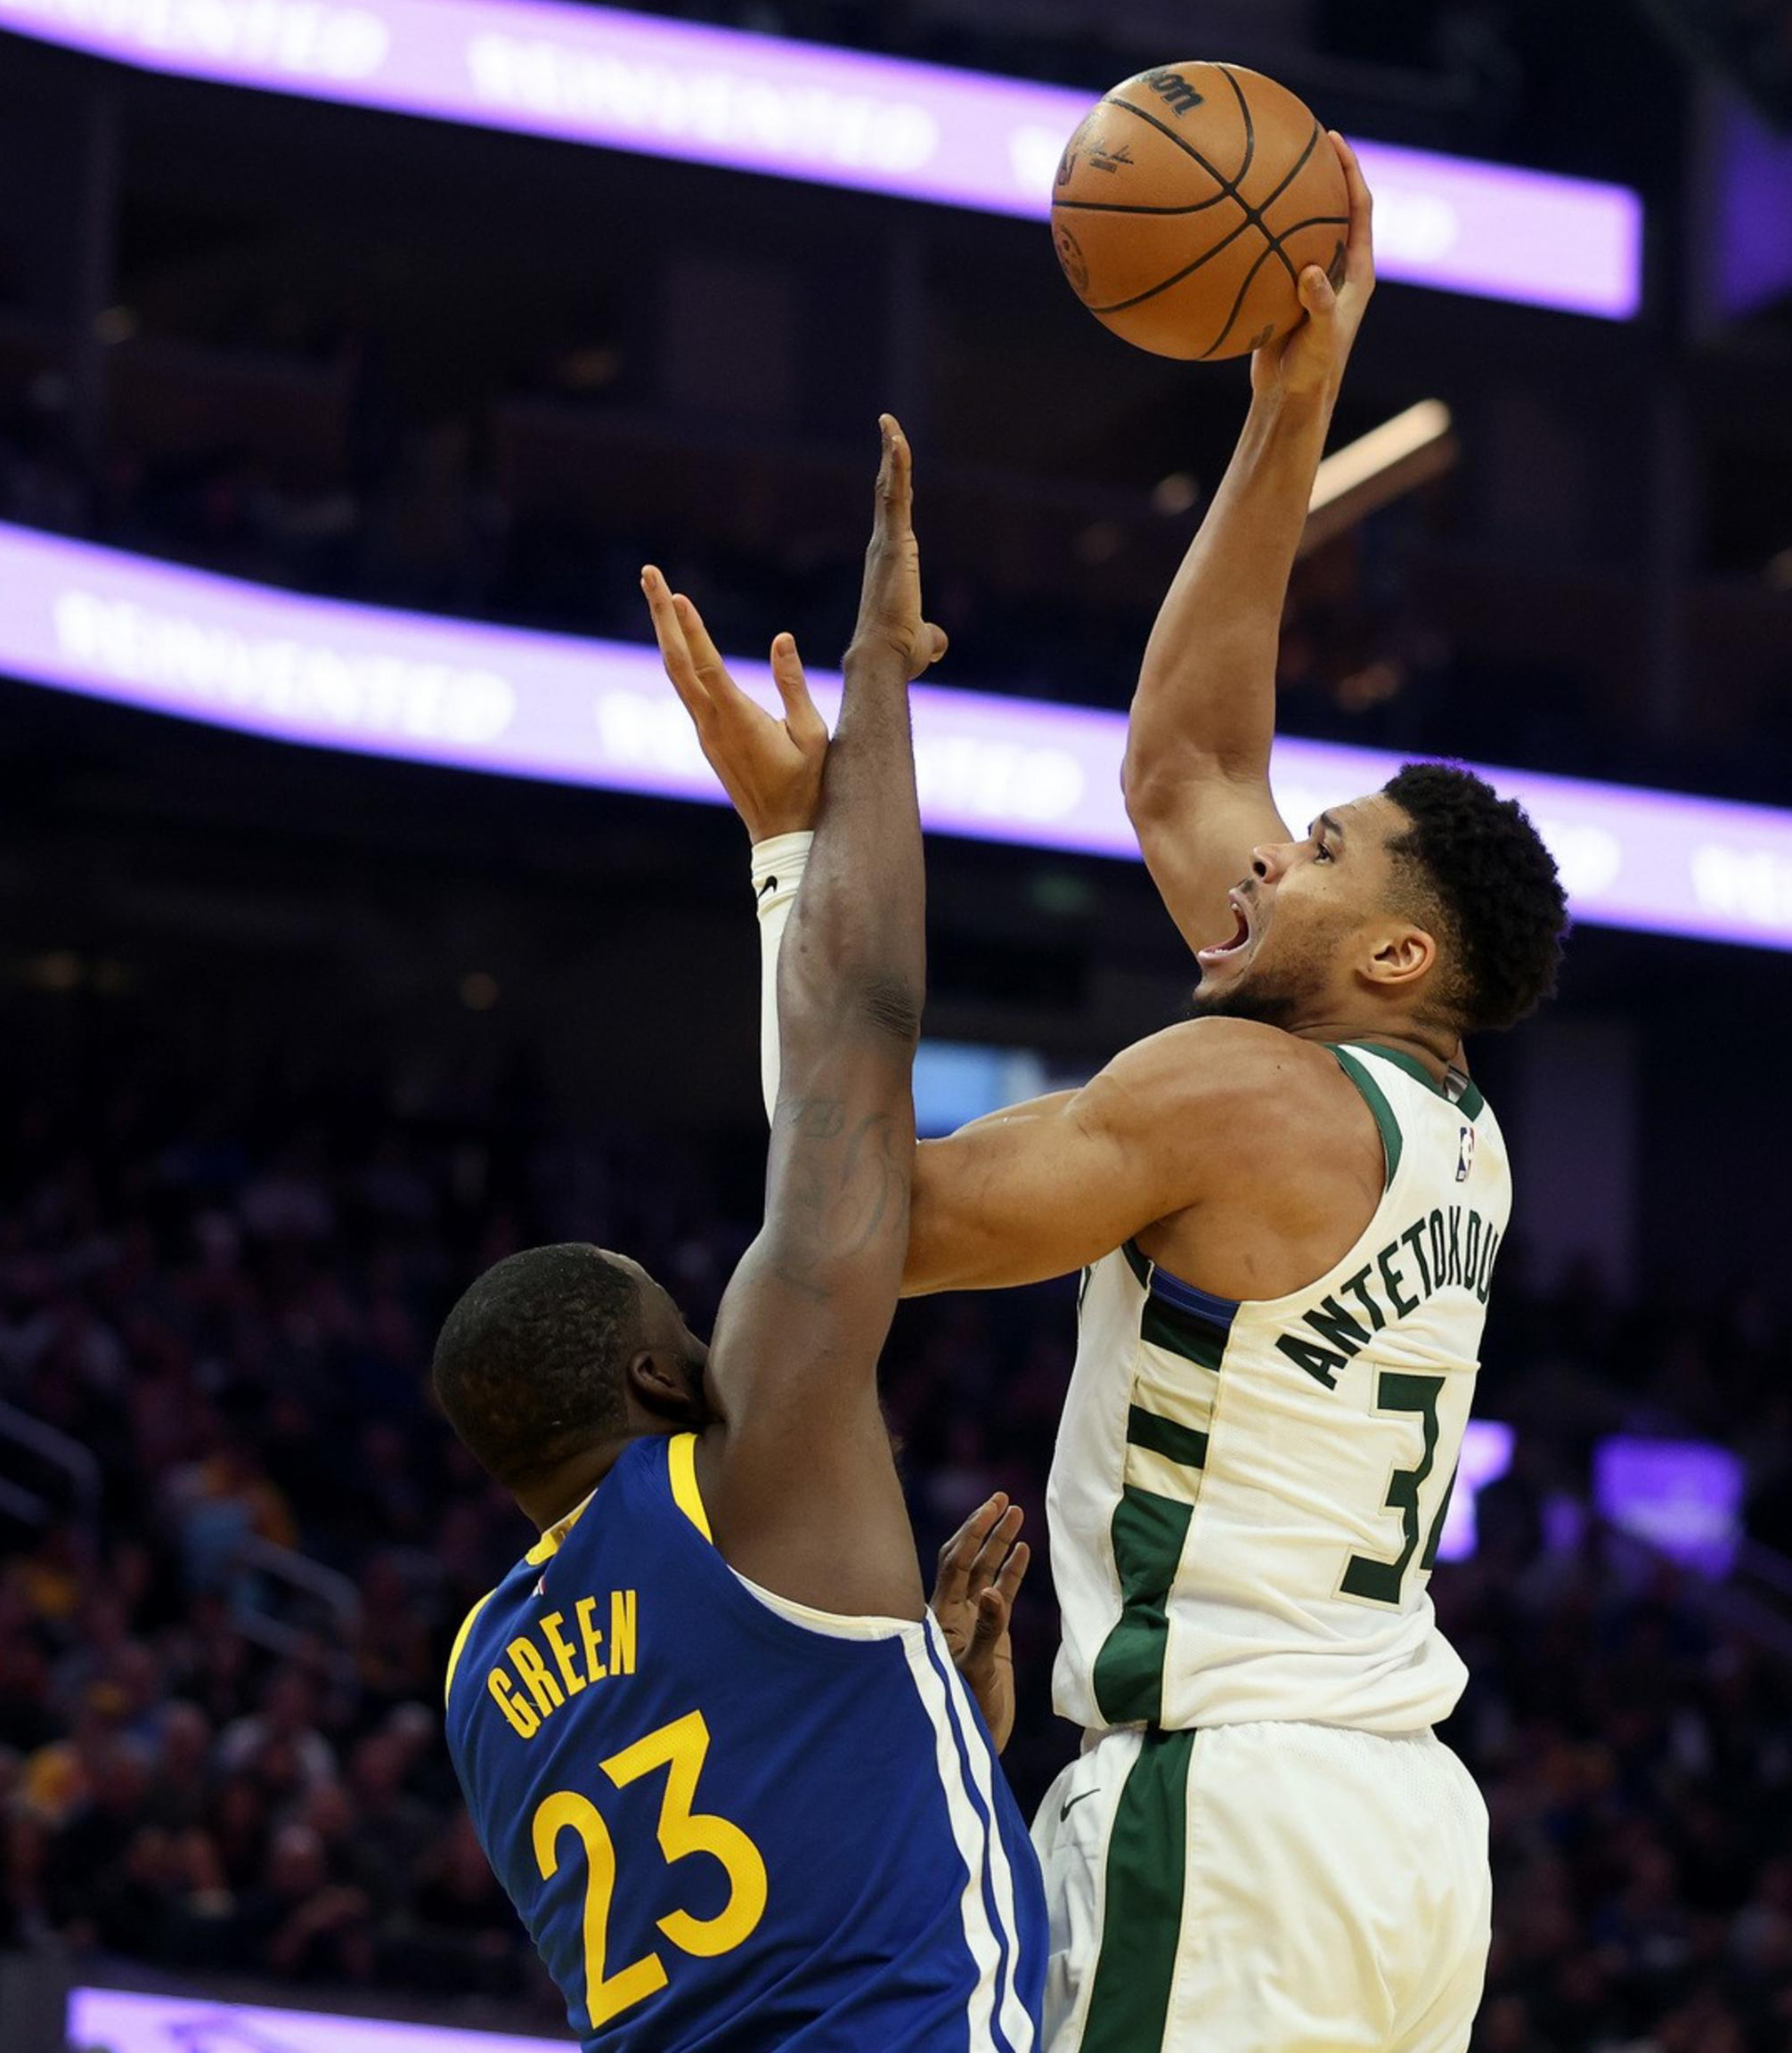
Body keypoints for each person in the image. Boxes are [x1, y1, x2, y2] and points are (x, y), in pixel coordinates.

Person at [649, 141, 1566, 2050]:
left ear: (1395, 954)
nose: (1264, 860)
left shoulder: (1244, 1093)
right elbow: (1179, 764)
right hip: (1398, 1835)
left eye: (1316, 852)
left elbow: (858, 1218)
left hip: (1225, 1816)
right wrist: (1290, 405)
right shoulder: (1438, 1116)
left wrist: (791, 854)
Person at [436, 420, 1046, 2050]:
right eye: (688, 1330)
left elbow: (747, 1915)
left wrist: (923, 1710)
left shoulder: (482, 1684)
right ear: (654, 1371)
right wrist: (865, 702)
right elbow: (864, 1022)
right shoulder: (743, 1465)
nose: (722, 1338)